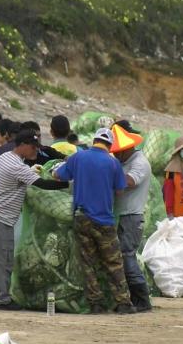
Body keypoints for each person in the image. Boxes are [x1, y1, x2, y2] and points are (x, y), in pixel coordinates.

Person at [0, 130, 69, 311]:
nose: (35, 152)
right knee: (3, 261)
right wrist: (69, 184)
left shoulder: (4, 158)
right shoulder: (16, 167)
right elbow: (42, 184)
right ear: (24, 145)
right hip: (0, 219)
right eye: (33, 148)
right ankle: (3, 299)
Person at [53, 128, 135, 314]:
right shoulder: (112, 163)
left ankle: (95, 303)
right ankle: (122, 303)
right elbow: (120, 189)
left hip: (81, 218)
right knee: (113, 261)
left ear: (95, 141)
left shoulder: (78, 157)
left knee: (88, 262)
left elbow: (58, 176)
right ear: (109, 145)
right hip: (104, 219)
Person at [112, 123, 153, 312]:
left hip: (131, 218)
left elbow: (129, 181)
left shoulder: (140, 163)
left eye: (119, 151)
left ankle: (142, 299)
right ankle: (130, 297)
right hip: (120, 216)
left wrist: (105, 175)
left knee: (127, 257)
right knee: (120, 257)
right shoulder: (121, 161)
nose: (116, 155)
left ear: (128, 147)